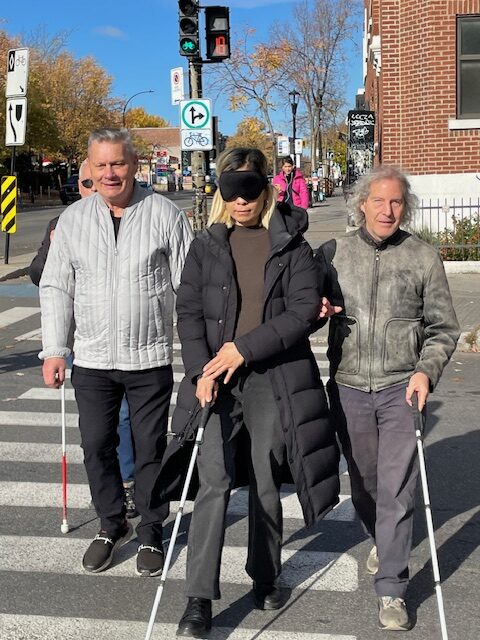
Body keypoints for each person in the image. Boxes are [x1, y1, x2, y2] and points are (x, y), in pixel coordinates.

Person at [154, 147, 339, 637]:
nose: (241, 201)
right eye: (231, 190)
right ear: (221, 193)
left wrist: (243, 349)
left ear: (265, 189)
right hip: (216, 378)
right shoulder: (206, 246)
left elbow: (301, 313)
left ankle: (264, 572)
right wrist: (202, 370)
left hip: (269, 377)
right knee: (213, 482)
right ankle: (198, 598)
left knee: (263, 476)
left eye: (249, 188)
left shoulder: (293, 246)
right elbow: (188, 313)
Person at [38, 127, 193, 577]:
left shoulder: (164, 213)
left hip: (148, 358)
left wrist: (198, 354)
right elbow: (56, 286)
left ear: (134, 165)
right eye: (101, 165)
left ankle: (151, 528)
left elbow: (189, 286)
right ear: (90, 168)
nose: (110, 173)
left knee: (149, 449)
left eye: (118, 163)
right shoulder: (73, 220)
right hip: (91, 358)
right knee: (95, 445)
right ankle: (111, 524)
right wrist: (55, 349)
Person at [315, 165, 460, 631]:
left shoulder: (422, 257)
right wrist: (317, 311)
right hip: (348, 386)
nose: (387, 209)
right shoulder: (333, 253)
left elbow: (444, 329)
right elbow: (304, 310)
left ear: (405, 206)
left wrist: (425, 372)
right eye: (378, 200)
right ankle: (381, 535)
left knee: (397, 489)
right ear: (362, 204)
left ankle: (392, 589)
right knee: (364, 483)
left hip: (403, 388)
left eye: (396, 201)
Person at [30, 159, 139, 520]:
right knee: (98, 426)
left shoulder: (129, 218)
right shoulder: (63, 222)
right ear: (78, 186)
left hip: (126, 337)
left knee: (124, 416)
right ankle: (109, 489)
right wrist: (52, 248)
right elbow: (39, 275)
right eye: (86, 183)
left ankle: (128, 481)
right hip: (83, 338)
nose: (94, 188)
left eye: (98, 181)